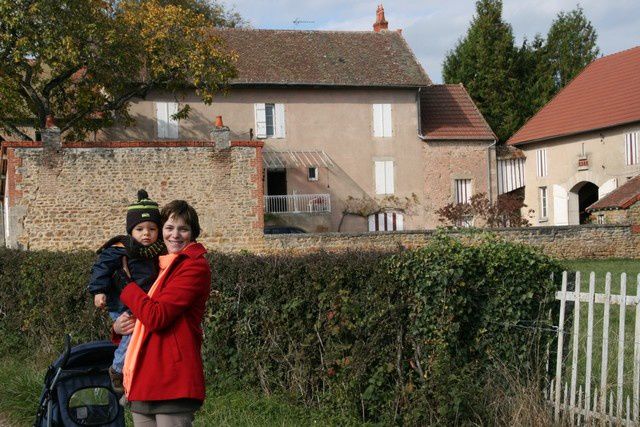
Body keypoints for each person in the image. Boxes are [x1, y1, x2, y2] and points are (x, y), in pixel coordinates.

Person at [113, 200, 211, 426]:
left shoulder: (193, 266)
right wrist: (118, 327)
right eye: (169, 228)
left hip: (172, 379)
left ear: (193, 233)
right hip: (143, 378)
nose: (175, 235)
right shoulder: (157, 266)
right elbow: (140, 310)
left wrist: (126, 286)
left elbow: (156, 317)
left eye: (183, 229)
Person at [87, 189, 166, 393]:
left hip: (143, 303)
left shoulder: (158, 250)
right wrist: (99, 291)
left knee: (140, 337)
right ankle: (117, 368)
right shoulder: (120, 248)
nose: (146, 234)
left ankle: (132, 373)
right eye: (139, 229)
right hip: (123, 303)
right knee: (131, 334)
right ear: (131, 231)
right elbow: (101, 268)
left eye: (152, 228)